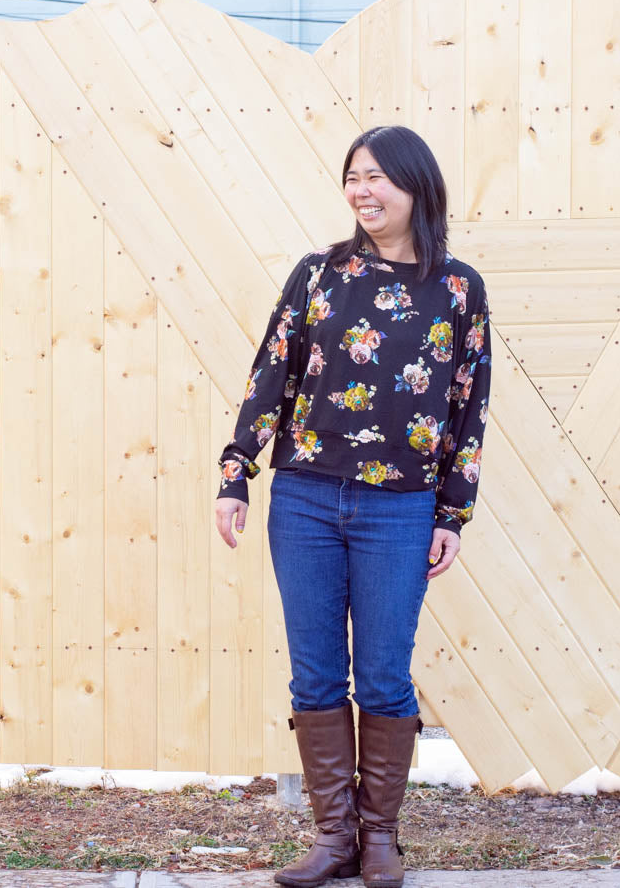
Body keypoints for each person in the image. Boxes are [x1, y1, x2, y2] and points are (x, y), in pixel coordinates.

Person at [213, 125, 491, 888]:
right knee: (315, 676)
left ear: (416, 188)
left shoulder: (458, 288)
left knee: (384, 678)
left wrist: (451, 513)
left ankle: (379, 841)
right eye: (353, 177)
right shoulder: (318, 275)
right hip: (303, 496)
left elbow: (469, 406)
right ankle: (333, 838)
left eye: (379, 178)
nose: (363, 191)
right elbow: (272, 371)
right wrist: (237, 469)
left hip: (400, 509)